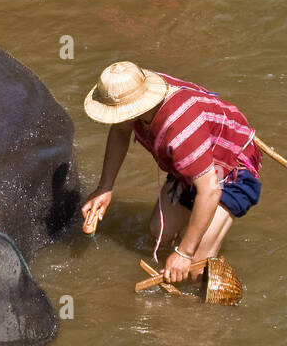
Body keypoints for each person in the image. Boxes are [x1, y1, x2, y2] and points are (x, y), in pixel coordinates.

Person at [80, 61, 261, 284]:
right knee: (159, 233)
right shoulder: (135, 90)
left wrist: (185, 253)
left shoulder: (181, 129)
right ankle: (191, 242)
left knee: (197, 264)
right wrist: (105, 187)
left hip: (229, 169)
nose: (116, 119)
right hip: (190, 165)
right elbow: (120, 131)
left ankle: (203, 275)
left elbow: (211, 191)